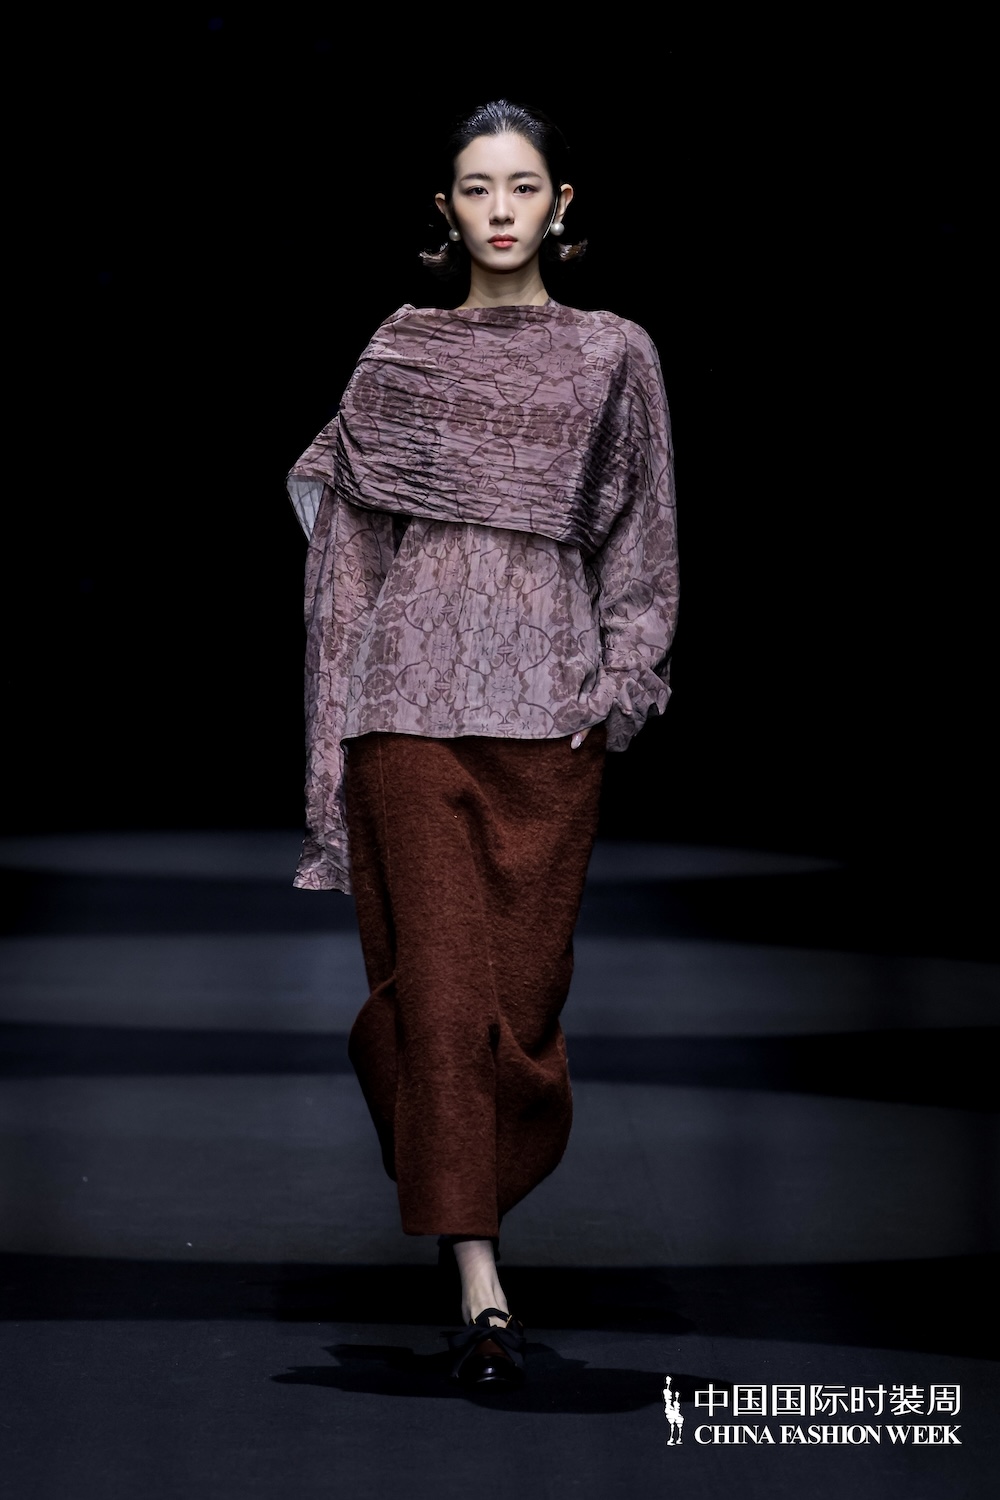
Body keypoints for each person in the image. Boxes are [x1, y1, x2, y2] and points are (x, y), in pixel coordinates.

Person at [285, 99, 679, 1388]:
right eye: (474, 187)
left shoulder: (613, 353)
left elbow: (642, 532)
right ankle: (482, 1288)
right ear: (445, 209)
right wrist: (337, 731)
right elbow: (349, 562)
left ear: (562, 206)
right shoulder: (400, 353)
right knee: (451, 999)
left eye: (521, 186)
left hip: (547, 717)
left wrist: (621, 678)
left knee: (515, 1007)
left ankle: (421, 1108)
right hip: (407, 707)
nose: (498, 209)